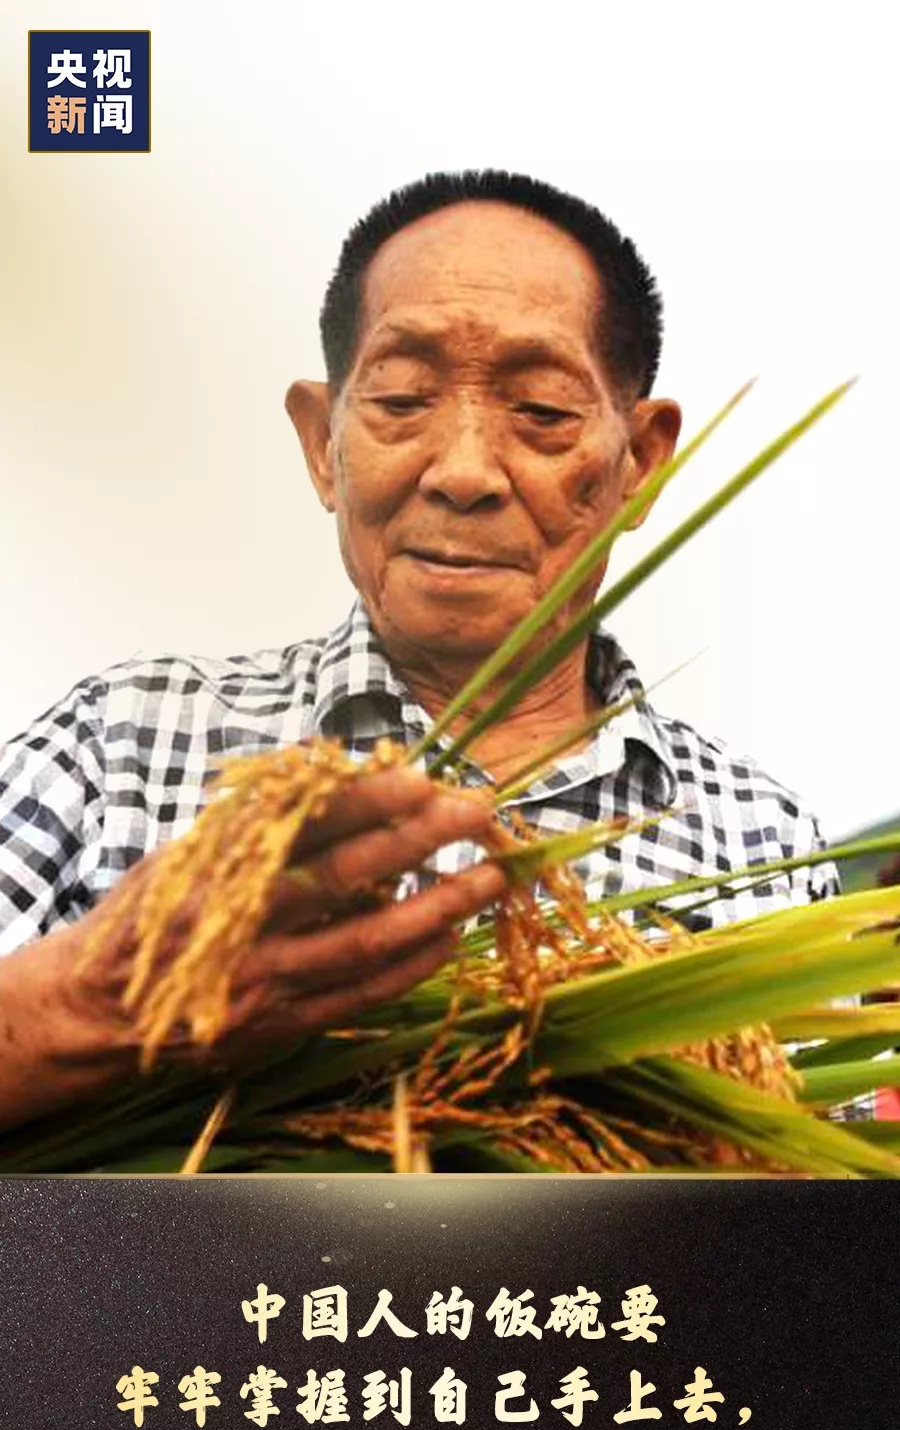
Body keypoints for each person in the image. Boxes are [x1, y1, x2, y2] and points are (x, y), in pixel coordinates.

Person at [0, 169, 839, 1133]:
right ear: (323, 444)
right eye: (402, 398)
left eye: (542, 411)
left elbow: (821, 1244)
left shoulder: (765, 845)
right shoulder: (118, 751)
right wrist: (95, 1007)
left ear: (641, 464)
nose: (465, 472)